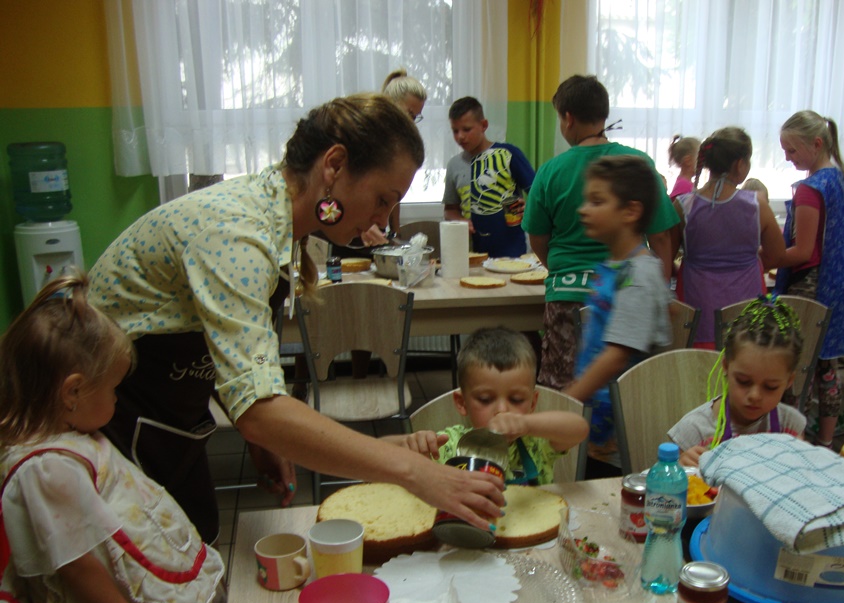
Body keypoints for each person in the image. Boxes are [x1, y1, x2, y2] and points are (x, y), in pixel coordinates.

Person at [88, 94, 505, 547]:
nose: (382, 219)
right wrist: (416, 472)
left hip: (170, 422)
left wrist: (264, 441)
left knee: (195, 544)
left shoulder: (283, 218)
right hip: (105, 421)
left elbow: (229, 355)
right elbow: (261, 410)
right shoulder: (237, 234)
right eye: (382, 199)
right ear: (335, 165)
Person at [0, 272, 224, 603]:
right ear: (72, 392)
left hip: (129, 602)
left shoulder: (65, 436)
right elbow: (76, 562)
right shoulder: (47, 470)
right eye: (114, 388)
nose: (118, 399)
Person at [522, 75, 679, 390]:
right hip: (606, 295)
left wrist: (561, 269)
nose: (584, 210)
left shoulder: (551, 170)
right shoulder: (639, 164)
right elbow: (662, 235)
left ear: (568, 118)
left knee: (565, 387)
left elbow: (538, 239)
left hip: (565, 292)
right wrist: (664, 284)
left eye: (595, 202)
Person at [563, 155, 673, 477]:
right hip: (601, 413)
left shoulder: (637, 276)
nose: (584, 209)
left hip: (620, 430)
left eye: (597, 201)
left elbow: (616, 355)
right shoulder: (622, 268)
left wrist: (568, 400)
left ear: (630, 211)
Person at [387, 327, 589, 486]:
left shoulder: (537, 443)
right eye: (485, 399)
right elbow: (382, 448)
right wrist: (413, 443)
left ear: (533, 403)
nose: (502, 410)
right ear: (462, 403)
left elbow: (579, 428)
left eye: (517, 400)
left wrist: (527, 424)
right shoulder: (450, 445)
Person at [773, 110, 844, 448]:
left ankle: (796, 443)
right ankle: (825, 442)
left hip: (810, 288)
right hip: (837, 286)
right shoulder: (837, 179)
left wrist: (765, 256)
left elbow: (803, 252)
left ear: (816, 143)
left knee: (799, 370)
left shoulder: (810, 188)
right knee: (826, 368)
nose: (787, 158)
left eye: (791, 150)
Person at [669, 127, 785, 348]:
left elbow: (667, 259)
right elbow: (777, 255)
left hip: (697, 301)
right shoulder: (756, 205)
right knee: (743, 358)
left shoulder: (683, 206)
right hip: (746, 301)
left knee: (701, 367)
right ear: (740, 164)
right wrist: (748, 263)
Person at [667, 296, 807, 468]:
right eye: (743, 381)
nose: (755, 396)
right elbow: (665, 486)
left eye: (770, 387)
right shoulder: (695, 431)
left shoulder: (790, 426)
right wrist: (680, 468)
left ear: (789, 381)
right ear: (726, 366)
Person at [442, 97, 535, 258]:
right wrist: (459, 221)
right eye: (455, 131)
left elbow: (538, 194)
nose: (460, 137)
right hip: (472, 254)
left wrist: (529, 206)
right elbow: (450, 210)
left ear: (483, 125)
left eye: (466, 129)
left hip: (513, 252)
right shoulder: (454, 165)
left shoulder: (509, 154)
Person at [360, 69, 428, 246]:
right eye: (409, 115)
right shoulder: (364, 138)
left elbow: (394, 196)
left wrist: (395, 232)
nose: (411, 123)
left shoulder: (399, 147)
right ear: (389, 105)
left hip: (375, 232)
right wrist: (362, 225)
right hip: (352, 229)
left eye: (415, 117)